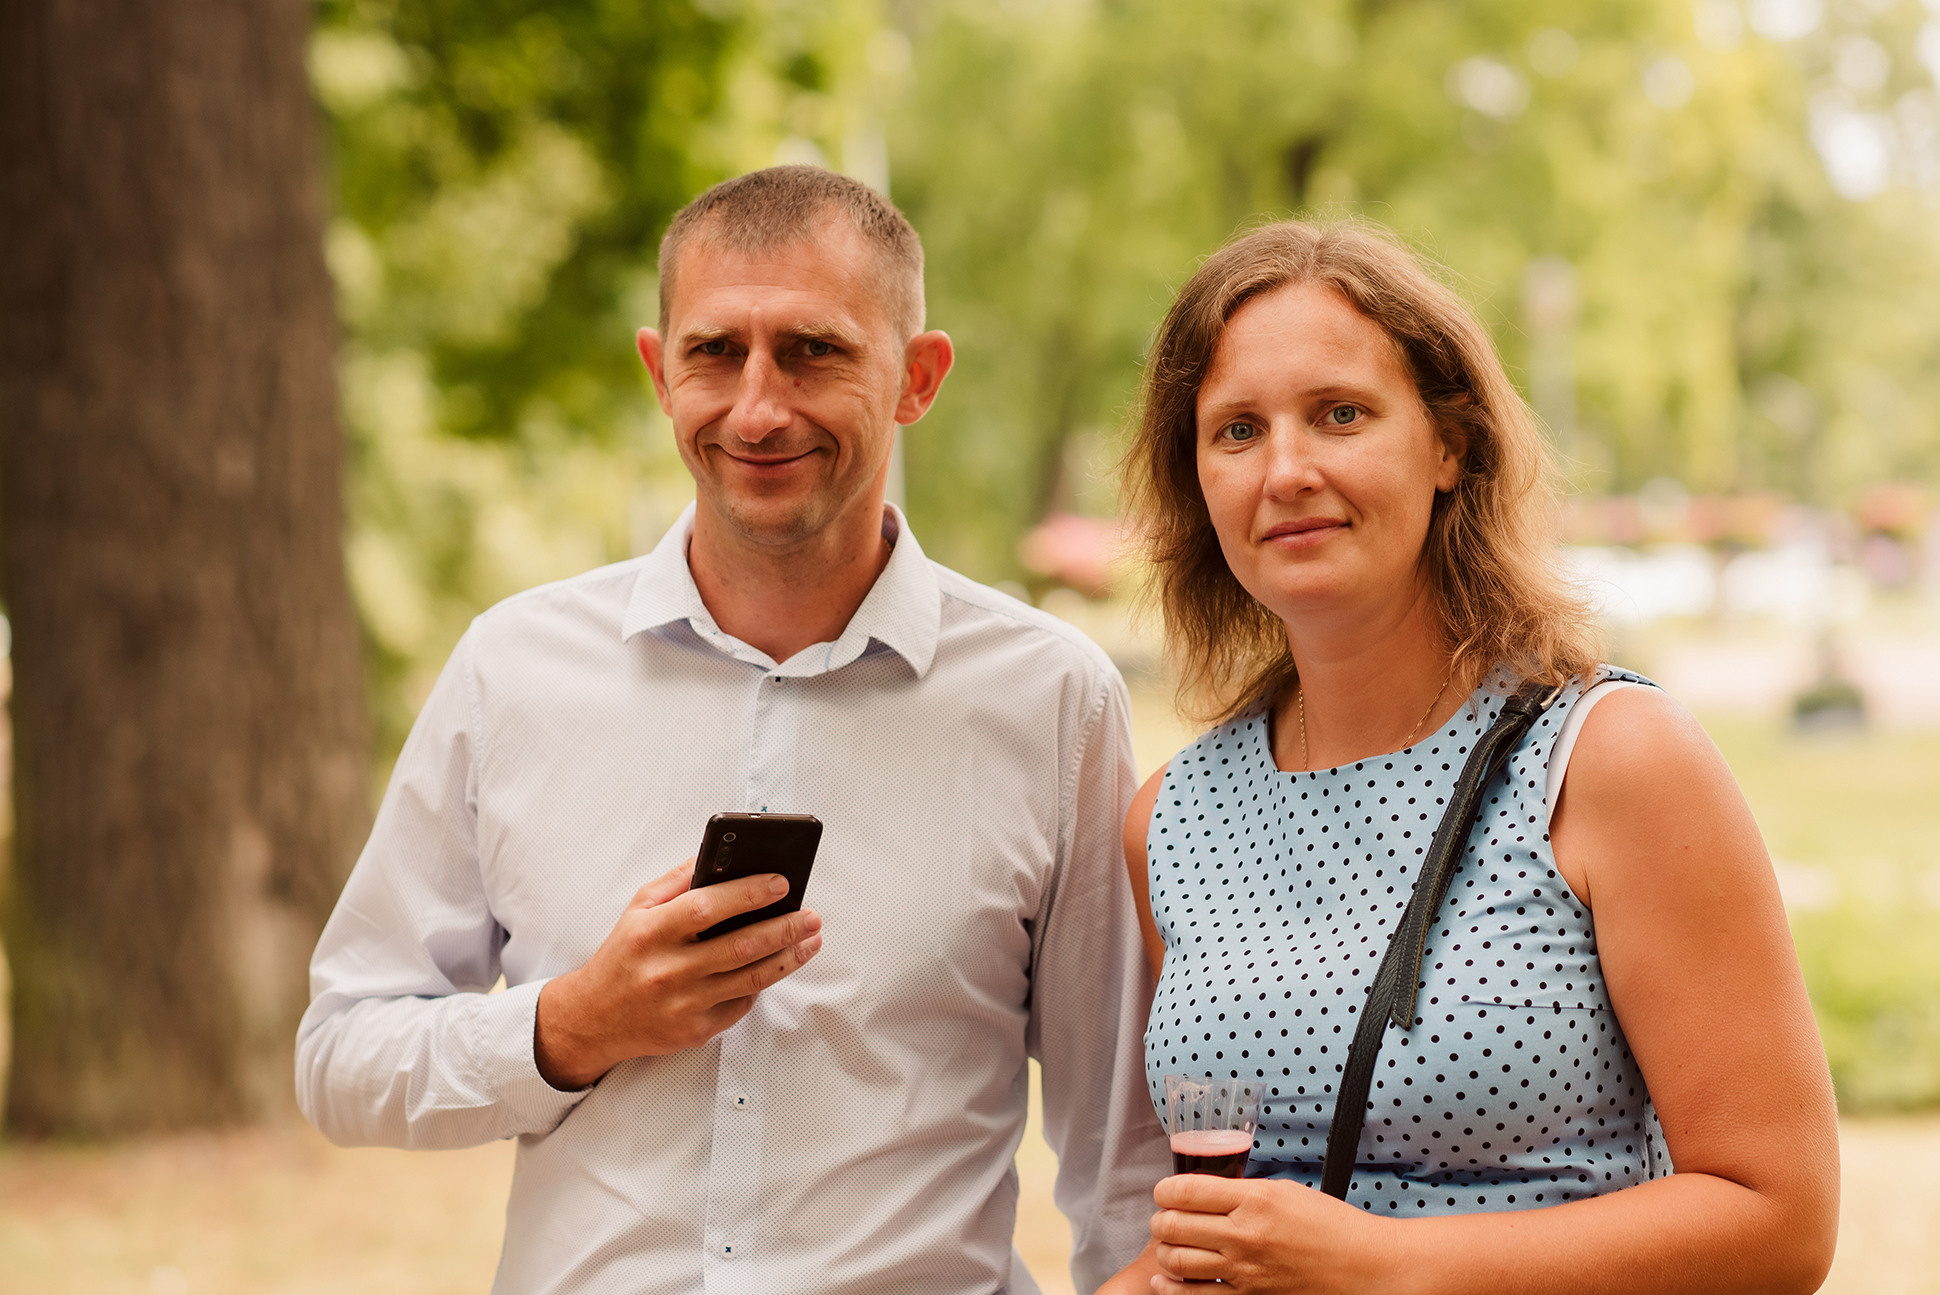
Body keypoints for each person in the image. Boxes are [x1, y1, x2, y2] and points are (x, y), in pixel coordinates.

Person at [297, 165, 1169, 1295]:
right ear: (661, 373)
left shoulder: (1052, 700)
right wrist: (569, 1025)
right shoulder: (509, 670)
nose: (757, 408)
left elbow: (1119, 1150)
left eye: (812, 350)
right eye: (715, 352)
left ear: (916, 377)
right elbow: (339, 1056)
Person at [1100, 219, 1839, 1294]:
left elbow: (1778, 1220)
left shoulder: (1606, 759)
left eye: (1339, 414)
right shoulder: (1169, 819)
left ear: (1448, 443)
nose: (1287, 468)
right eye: (1236, 430)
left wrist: (1389, 1263)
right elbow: (1219, 1238)